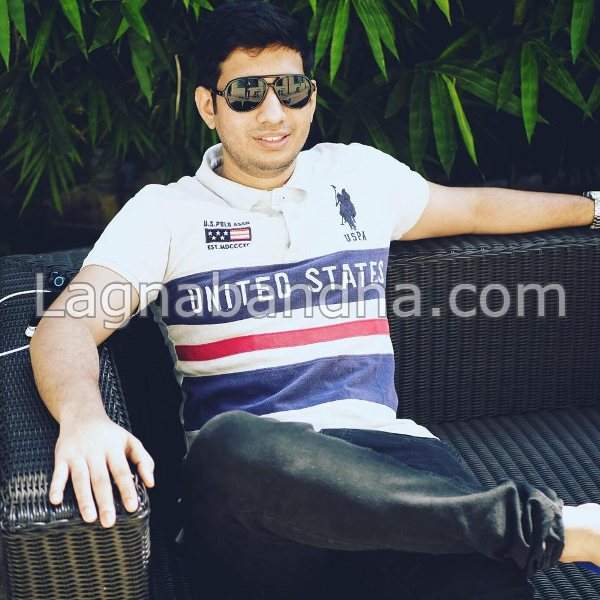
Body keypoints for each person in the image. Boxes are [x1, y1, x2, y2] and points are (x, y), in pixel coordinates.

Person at [29, 2, 600, 599]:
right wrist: (83, 417)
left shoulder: (358, 178)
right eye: (246, 94)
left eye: (291, 90)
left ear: (312, 96)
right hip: (258, 503)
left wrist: (592, 208)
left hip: (394, 471)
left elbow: (477, 207)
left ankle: (517, 532)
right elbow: (67, 324)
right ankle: (544, 528)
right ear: (208, 105)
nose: (274, 113)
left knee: (489, 582)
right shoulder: (166, 214)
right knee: (231, 443)